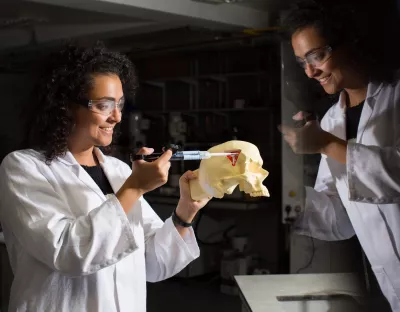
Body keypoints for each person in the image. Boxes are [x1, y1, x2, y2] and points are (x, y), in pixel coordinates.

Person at [0, 43, 210, 312]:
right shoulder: (23, 167)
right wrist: (134, 188)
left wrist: (186, 210)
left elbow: (154, 264)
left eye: (120, 104)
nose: (117, 117)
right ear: (66, 107)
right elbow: (69, 253)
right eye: (104, 105)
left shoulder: (119, 170)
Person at [279, 1, 400, 311]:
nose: (309, 71)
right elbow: (338, 218)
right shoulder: (333, 119)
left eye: (317, 56)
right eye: (301, 61)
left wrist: (326, 145)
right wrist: (280, 197)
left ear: (350, 43)